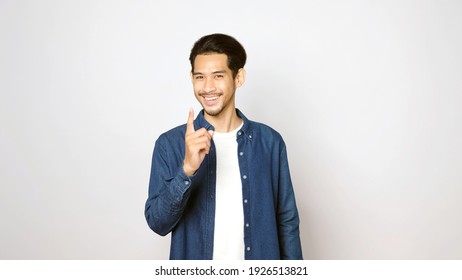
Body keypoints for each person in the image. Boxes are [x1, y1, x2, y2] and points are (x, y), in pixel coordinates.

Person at [144, 33, 303, 260]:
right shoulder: (169, 144)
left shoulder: (269, 142)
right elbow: (158, 223)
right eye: (200, 77)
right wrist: (186, 170)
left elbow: (286, 221)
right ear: (191, 78)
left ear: (238, 78)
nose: (208, 87)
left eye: (218, 76)